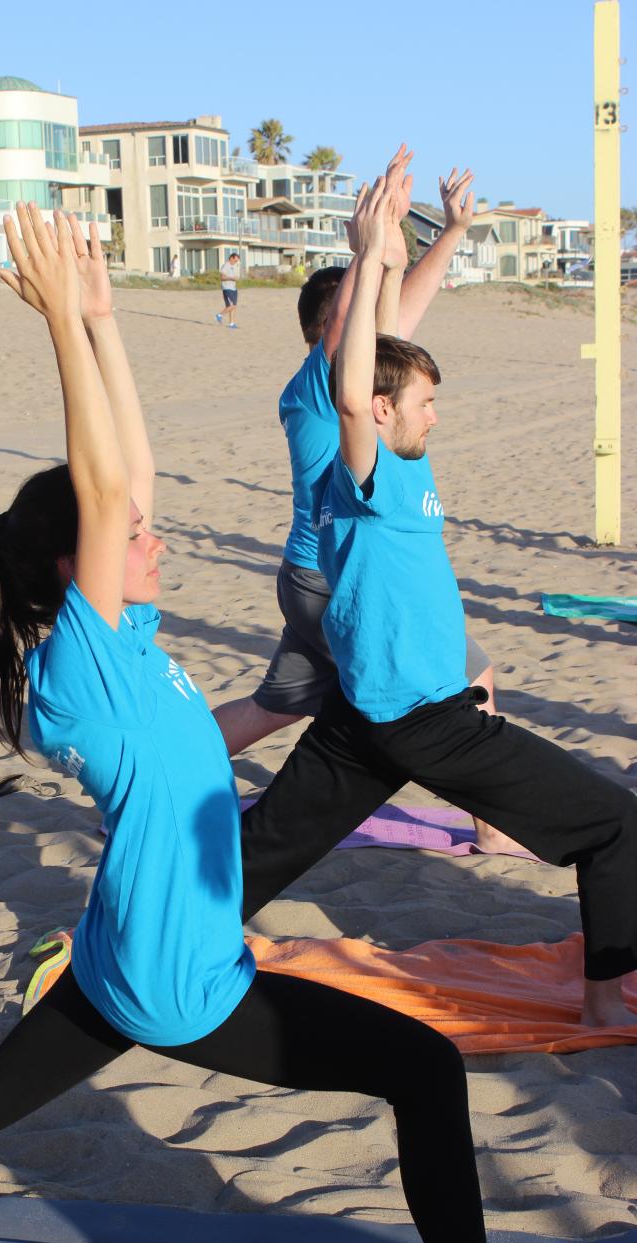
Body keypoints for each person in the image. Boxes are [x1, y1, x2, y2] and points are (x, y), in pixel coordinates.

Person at [0, 201, 607, 1243]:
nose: (153, 536)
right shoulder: (86, 655)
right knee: (425, 1072)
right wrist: (59, 327)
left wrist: (105, 325)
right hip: (177, 975)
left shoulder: (121, 643)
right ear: (74, 565)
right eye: (129, 537)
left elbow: (127, 473)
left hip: (119, 947)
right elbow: (109, 486)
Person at [239, 174, 637, 1031]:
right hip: (405, 691)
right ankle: (604, 1002)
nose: (437, 414)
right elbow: (356, 377)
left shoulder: (405, 457)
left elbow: (385, 348)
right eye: (425, 402)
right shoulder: (348, 434)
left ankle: (147, 923)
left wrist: (434, 238)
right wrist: (367, 253)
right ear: (376, 403)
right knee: (617, 828)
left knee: (266, 841)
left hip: (376, 707)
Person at [213, 148, 517, 854]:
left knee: (275, 705)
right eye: (353, 323)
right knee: (468, 677)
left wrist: (448, 233)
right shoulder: (323, 386)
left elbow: (404, 307)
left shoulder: (346, 379)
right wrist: (369, 250)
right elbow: (358, 313)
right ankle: (495, 830)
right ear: (329, 333)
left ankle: (166, 771)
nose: (375, 326)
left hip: (312, 576)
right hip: (336, 582)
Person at [216, 251, 240, 327]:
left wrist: (235, 278)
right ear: (231, 258)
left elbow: (235, 276)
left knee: (233, 306)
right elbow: (222, 277)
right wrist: (231, 278)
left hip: (233, 288)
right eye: (235, 260)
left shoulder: (235, 266)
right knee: (232, 305)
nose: (235, 262)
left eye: (237, 261)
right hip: (227, 288)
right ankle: (219, 315)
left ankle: (231, 323)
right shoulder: (226, 265)